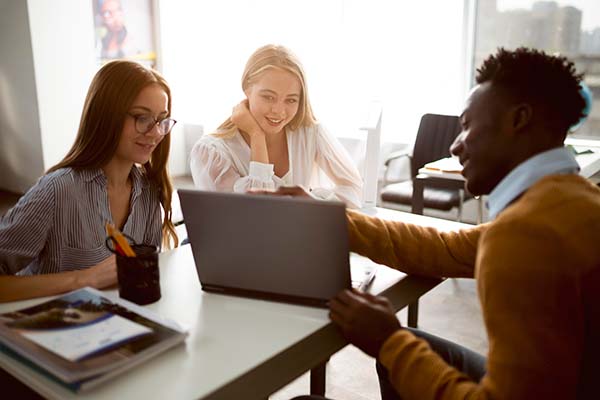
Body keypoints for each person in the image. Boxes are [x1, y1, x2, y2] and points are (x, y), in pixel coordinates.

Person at [289, 47, 599, 399]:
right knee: (418, 344)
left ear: (519, 119)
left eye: (466, 126)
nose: (455, 145)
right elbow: (446, 248)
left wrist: (388, 340)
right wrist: (324, 218)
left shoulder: (526, 235)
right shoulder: (573, 201)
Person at [0, 60, 178, 303]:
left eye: (161, 120)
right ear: (106, 116)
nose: (156, 132)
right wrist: (84, 279)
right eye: (141, 117)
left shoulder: (149, 190)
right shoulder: (57, 190)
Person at [190, 44, 363, 208]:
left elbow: (354, 189)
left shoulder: (309, 132)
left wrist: (312, 202)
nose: (279, 111)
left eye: (291, 100)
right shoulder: (211, 152)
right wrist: (257, 135)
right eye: (268, 97)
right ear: (246, 88)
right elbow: (259, 213)